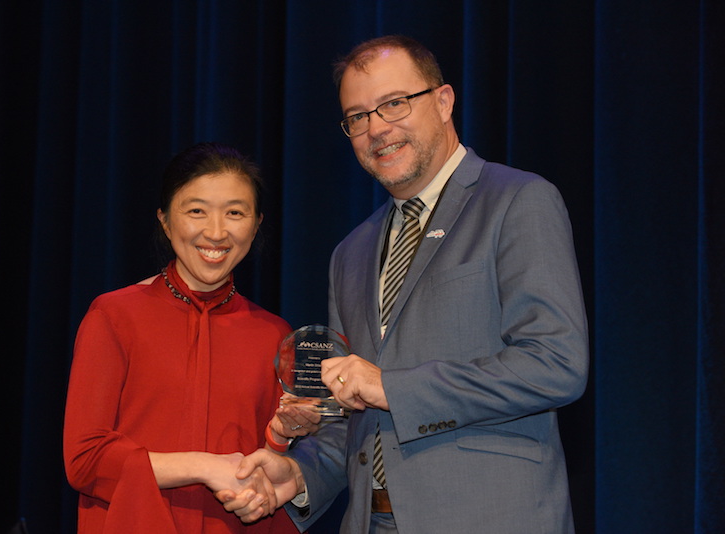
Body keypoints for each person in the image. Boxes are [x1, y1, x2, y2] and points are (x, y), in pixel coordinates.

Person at [218, 35, 589, 533]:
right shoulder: (349, 254)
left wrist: (390, 386)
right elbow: (351, 416)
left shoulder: (518, 201)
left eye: (393, 104)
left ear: (443, 101)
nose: (376, 129)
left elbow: (555, 364)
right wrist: (298, 475)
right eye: (357, 117)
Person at [63, 142, 316, 533]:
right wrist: (205, 467)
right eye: (196, 211)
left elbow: (269, 468)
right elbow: (84, 460)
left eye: (235, 213)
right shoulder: (114, 316)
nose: (216, 232)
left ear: (257, 223)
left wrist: (282, 438)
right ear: (165, 221)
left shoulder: (274, 334)